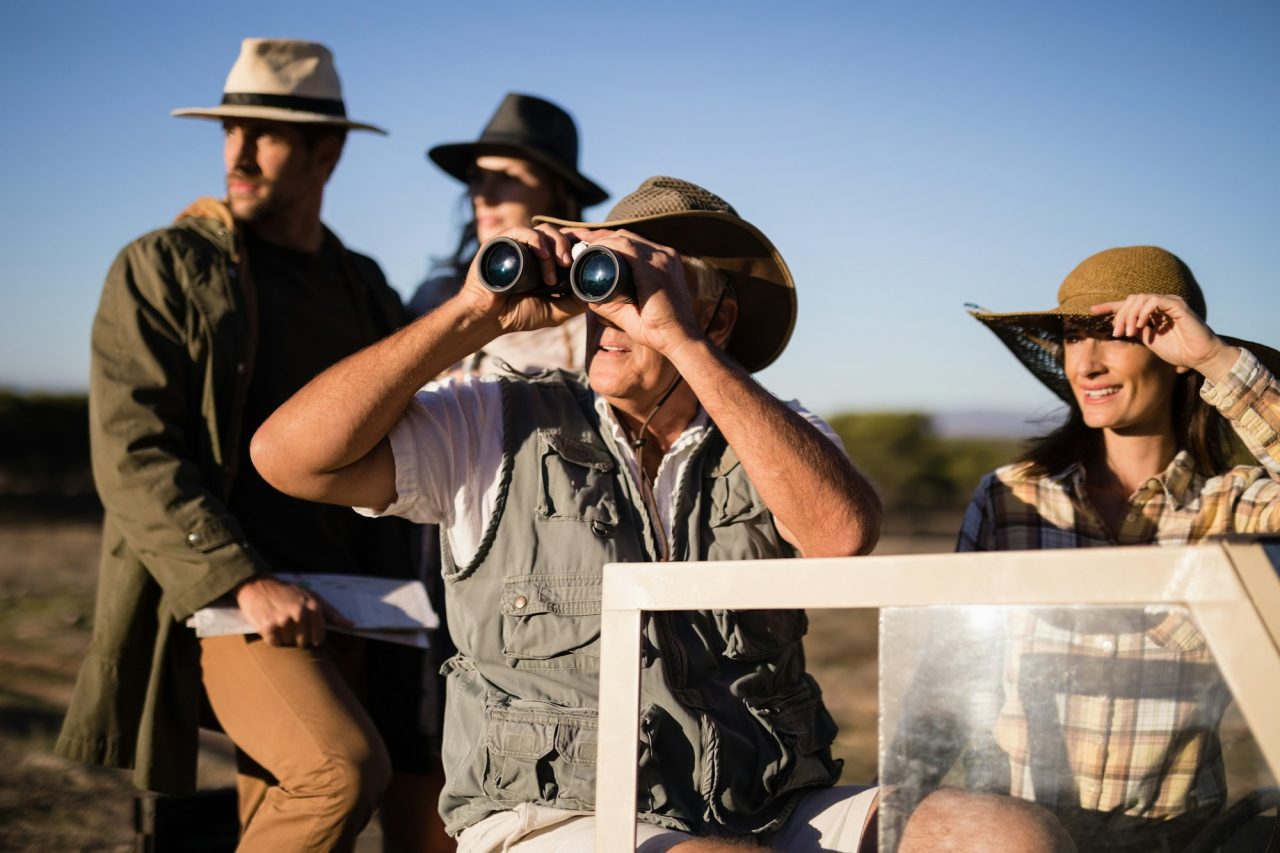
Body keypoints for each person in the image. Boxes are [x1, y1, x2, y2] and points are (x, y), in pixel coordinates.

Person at [251, 176, 885, 851]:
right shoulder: (492, 423)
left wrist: (684, 343)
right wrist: (474, 312)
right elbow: (288, 458)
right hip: (552, 817)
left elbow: (840, 536)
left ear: (718, 320)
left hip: (766, 804)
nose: (612, 312)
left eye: (645, 286)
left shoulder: (773, 436)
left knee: (959, 827)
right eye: (604, 280)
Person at [54, 38, 443, 852]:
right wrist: (241, 579)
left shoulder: (363, 286)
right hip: (233, 601)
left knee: (304, 818)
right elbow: (134, 453)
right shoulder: (164, 267)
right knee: (340, 771)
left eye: (264, 134)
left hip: (360, 606)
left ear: (326, 152)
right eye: (231, 130)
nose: (237, 153)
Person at [889, 246, 1280, 851]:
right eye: (1073, 338)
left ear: (1174, 353)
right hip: (1016, 837)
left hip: (1177, 842)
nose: (1088, 364)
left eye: (1116, 334)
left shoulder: (1237, 505)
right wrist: (898, 810)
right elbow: (948, 675)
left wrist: (1215, 361)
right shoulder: (1011, 499)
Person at [409, 92, 608, 374]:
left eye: (507, 178)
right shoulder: (434, 297)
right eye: (477, 178)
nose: (483, 196)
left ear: (558, 193)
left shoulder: (596, 312)